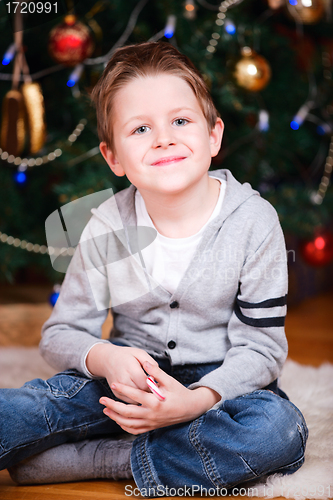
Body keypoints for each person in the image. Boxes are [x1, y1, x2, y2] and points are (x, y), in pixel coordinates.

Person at [0, 42, 308, 496]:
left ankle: (113, 457)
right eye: (141, 128)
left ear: (213, 136)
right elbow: (60, 333)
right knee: (25, 406)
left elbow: (261, 350)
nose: (164, 138)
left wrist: (192, 401)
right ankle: (156, 442)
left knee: (279, 432)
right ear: (114, 158)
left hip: (220, 393)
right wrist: (108, 358)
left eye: (180, 121)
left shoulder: (254, 222)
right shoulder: (106, 223)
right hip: (127, 381)